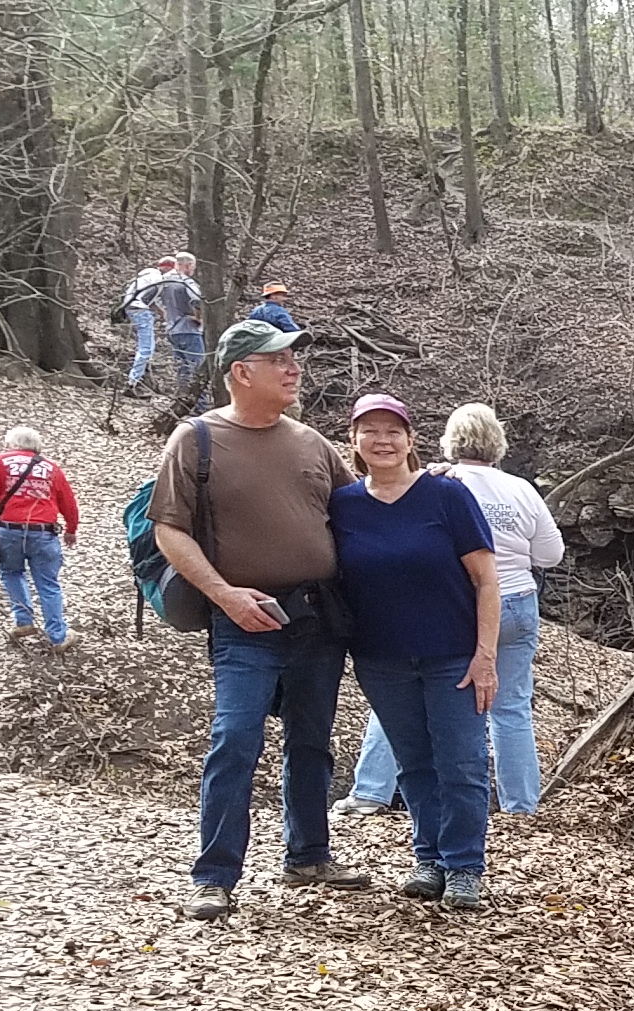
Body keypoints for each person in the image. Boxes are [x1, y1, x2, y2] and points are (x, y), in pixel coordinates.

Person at [151, 319, 371, 921]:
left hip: (316, 619)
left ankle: (308, 855)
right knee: (234, 741)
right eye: (279, 360)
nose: (294, 368)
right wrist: (224, 595)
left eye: (294, 358)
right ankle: (215, 876)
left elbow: (361, 515)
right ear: (241, 372)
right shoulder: (194, 440)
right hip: (242, 621)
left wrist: (425, 488)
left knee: (312, 742)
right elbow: (169, 528)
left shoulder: (312, 443)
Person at [338, 402, 562, 818]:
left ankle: (370, 791)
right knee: (510, 706)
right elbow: (550, 553)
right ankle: (521, 807)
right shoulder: (519, 489)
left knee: (403, 699)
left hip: (454, 608)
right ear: (498, 441)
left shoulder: (437, 484)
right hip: (515, 603)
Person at [328, 394, 501, 911]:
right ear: (355, 441)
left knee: (464, 761)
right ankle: (428, 858)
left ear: (410, 440)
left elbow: (486, 580)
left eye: (393, 431)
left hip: (454, 654)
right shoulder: (343, 505)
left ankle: (465, 864)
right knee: (414, 762)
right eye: (370, 431)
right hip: (381, 658)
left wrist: (485, 654)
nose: (383, 440)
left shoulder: (446, 495)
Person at [0, 427, 80, 649]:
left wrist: (1, 513)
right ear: (37, 446)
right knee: (48, 583)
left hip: (9, 530)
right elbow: (68, 502)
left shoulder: (2, 462)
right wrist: (71, 529)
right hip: (43, 532)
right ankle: (58, 636)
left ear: (12, 444)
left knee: (11, 572)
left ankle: (24, 620)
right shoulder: (51, 467)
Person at [118, 258, 176, 392]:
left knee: (147, 347)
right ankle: (133, 382)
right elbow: (145, 300)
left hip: (132, 308)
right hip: (140, 311)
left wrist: (164, 315)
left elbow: (148, 299)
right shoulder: (158, 279)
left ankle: (140, 378)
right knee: (146, 349)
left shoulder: (146, 275)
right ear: (167, 268)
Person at [153, 252, 205, 393]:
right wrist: (198, 318)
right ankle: (199, 404)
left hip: (172, 329)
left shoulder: (162, 281)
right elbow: (197, 301)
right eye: (193, 266)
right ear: (187, 265)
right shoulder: (186, 282)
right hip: (189, 329)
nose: (193, 270)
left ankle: (183, 398)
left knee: (182, 368)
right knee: (197, 368)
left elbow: (152, 299)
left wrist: (165, 314)